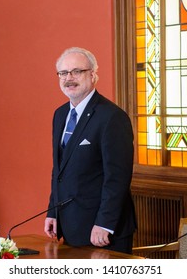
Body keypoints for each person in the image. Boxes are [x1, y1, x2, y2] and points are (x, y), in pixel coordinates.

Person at [44, 47, 137, 254]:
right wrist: (53, 212)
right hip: (70, 226)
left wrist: (105, 223)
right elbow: (59, 170)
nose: (69, 78)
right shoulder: (60, 115)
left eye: (77, 71)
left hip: (103, 232)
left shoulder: (112, 117)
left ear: (93, 75)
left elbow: (117, 177)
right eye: (64, 73)